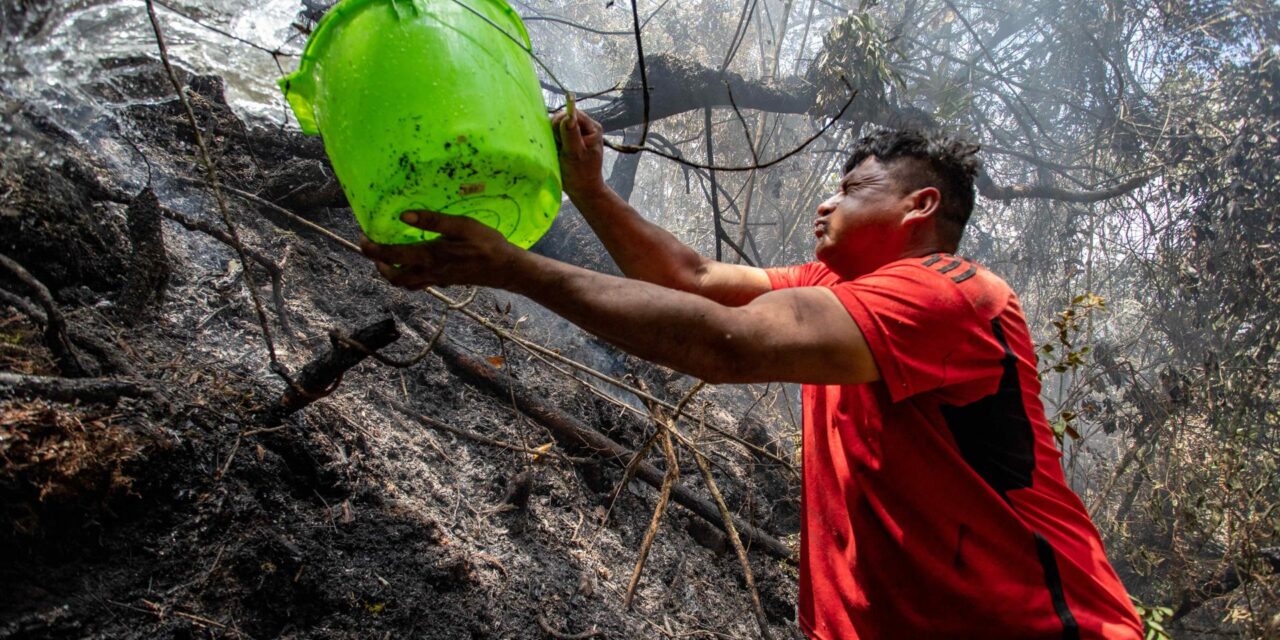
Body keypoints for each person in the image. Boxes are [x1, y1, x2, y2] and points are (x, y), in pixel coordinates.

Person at [361, 109, 1144, 639]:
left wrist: (515, 270)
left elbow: (729, 344)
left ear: (920, 205)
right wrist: (589, 192)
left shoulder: (952, 294)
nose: (826, 205)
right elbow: (696, 279)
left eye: (851, 188)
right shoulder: (835, 291)